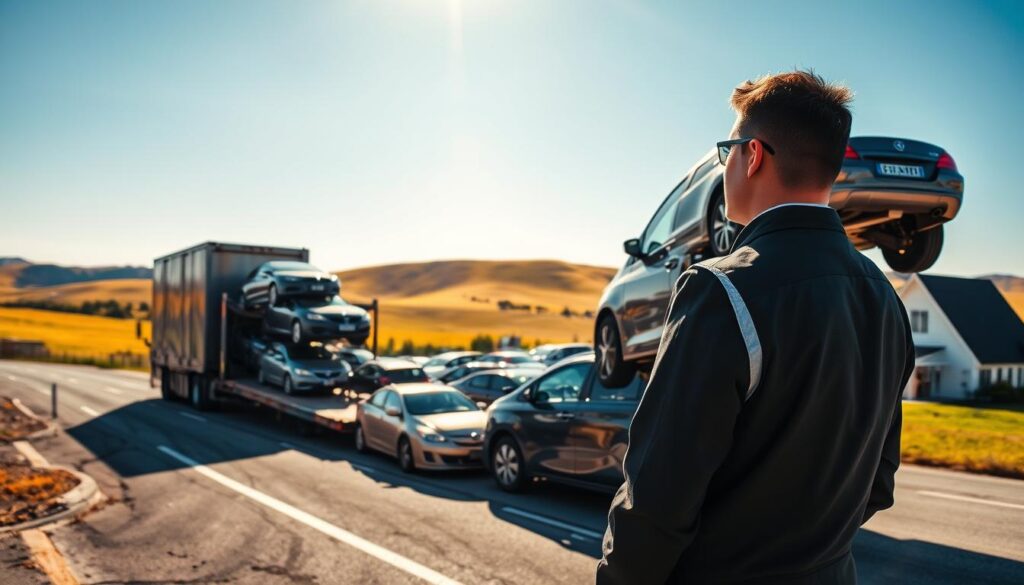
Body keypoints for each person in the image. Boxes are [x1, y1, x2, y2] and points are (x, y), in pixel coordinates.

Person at [596, 71, 914, 585]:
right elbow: (878, 482)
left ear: (753, 155)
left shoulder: (720, 290)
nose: (725, 168)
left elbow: (657, 497)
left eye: (728, 151)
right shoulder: (885, 299)